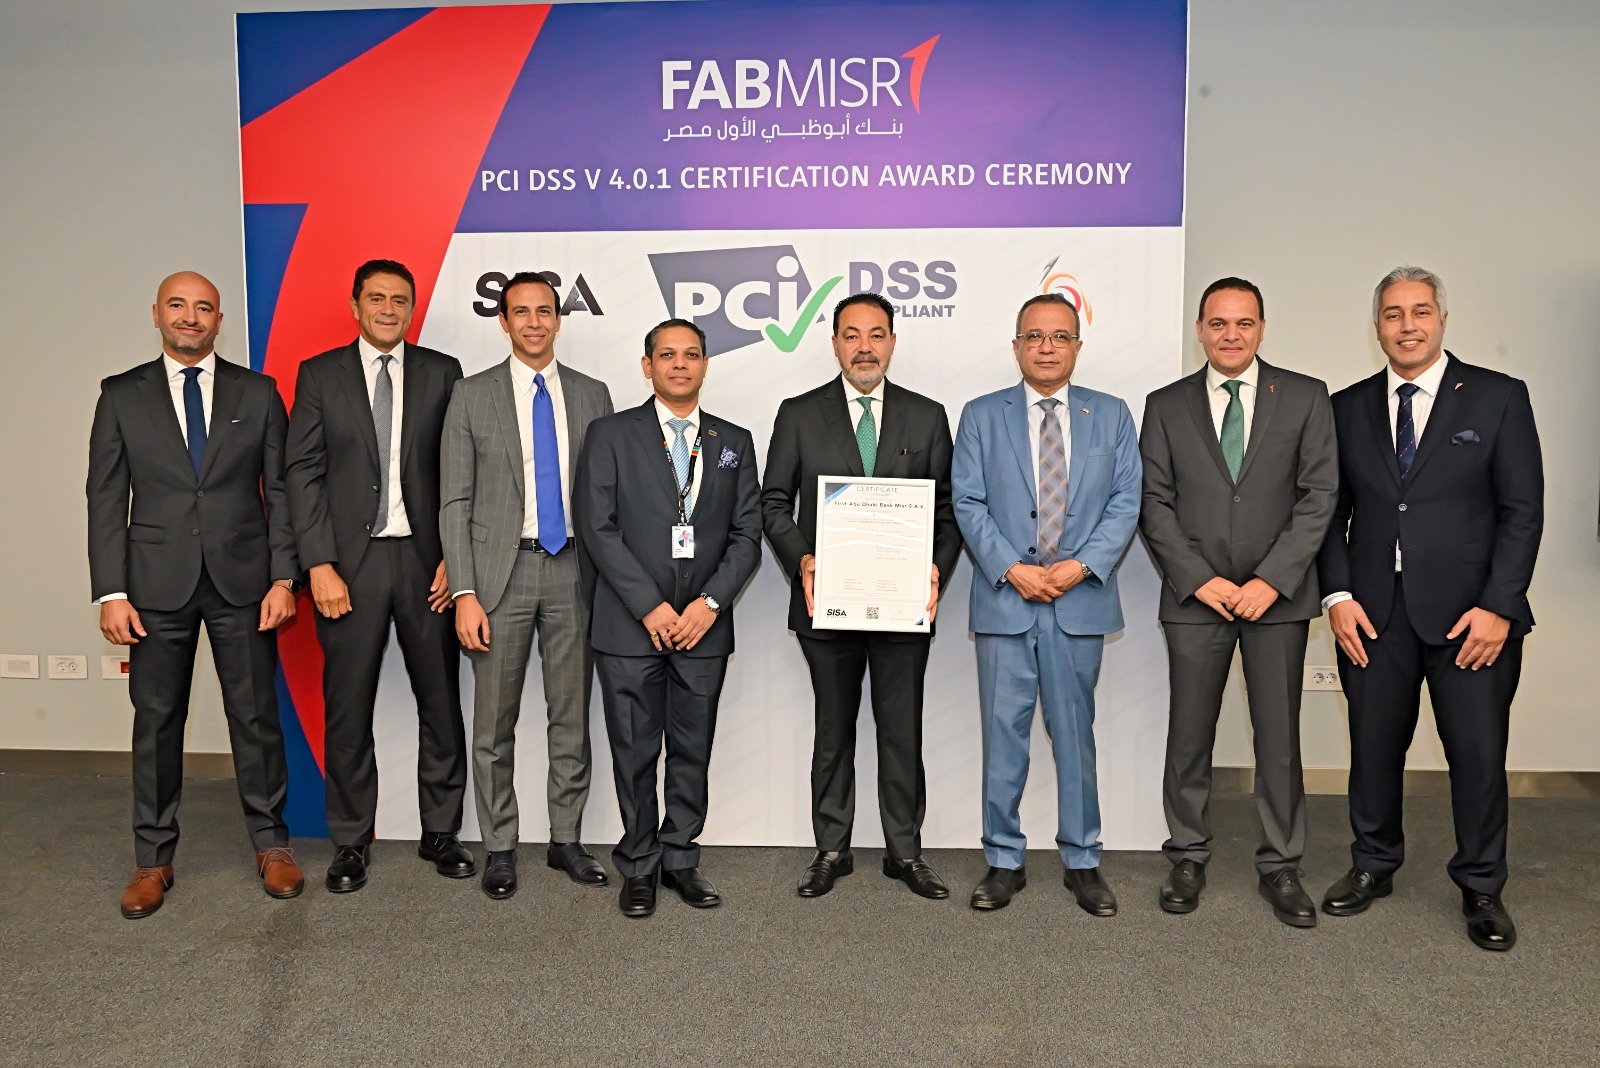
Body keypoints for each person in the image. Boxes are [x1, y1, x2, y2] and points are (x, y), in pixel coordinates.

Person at [1316, 266, 1543, 951]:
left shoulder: (1499, 397)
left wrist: (1499, 606)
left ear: (1442, 319)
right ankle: (1373, 863)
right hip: (1372, 615)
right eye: (1393, 314)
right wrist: (1337, 596)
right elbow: (1327, 515)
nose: (1407, 325)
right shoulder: (1346, 407)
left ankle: (1482, 886)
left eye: (1420, 311)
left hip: (1471, 619)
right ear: (1376, 325)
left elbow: (1522, 511)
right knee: (1373, 749)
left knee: (1478, 756)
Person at [87, 271, 303, 918]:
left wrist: (283, 578)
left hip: (245, 583)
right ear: (156, 314)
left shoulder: (258, 392)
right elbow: (106, 498)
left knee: (255, 718)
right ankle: (153, 858)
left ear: (218, 320)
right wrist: (111, 591)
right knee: (156, 722)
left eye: (203, 307)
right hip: (154, 587)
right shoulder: (121, 394)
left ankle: (271, 845)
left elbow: (281, 492)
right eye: (178, 305)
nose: (190, 316)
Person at [1138, 277, 1338, 926]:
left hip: (1276, 600)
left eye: (1244, 323)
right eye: (1218, 323)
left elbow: (1319, 497)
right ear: (1199, 330)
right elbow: (1153, 502)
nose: (1231, 335)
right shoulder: (1165, 405)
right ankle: (1187, 855)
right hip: (1196, 599)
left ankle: (1281, 865)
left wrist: (1270, 580)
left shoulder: (1305, 397)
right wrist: (1200, 579)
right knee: (1189, 736)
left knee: (1278, 740)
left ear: (1262, 328)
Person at [760, 293, 963, 900]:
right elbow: (773, 502)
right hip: (827, 606)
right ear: (835, 345)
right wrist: (803, 560)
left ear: (893, 342)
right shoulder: (799, 414)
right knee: (833, 731)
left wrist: (934, 570)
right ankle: (832, 848)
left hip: (904, 606)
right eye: (852, 335)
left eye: (876, 335)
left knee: (902, 731)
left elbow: (948, 510)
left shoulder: (928, 416)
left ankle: (905, 852)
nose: (864, 347)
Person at [951, 293, 1141, 914]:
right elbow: (967, 501)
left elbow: (1126, 501)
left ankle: (1082, 860)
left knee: (1075, 737)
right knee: (1003, 737)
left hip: (1078, 601)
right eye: (1034, 336)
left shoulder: (1111, 414)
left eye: (1060, 336)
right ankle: (1003, 860)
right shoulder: (981, 415)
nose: (1047, 347)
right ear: (1016, 347)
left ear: (1077, 346)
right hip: (1006, 601)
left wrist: (1080, 566)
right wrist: (1011, 568)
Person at [285, 259, 471, 893]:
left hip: (427, 565)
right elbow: (301, 474)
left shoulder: (443, 372)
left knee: (441, 703)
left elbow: (461, 470)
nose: (389, 309)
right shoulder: (320, 375)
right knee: (348, 707)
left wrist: (455, 557)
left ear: (412, 308)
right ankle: (350, 840)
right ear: (355, 305)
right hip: (347, 569)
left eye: (400, 300)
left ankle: (441, 831)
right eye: (377, 298)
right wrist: (318, 565)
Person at [574, 318, 761, 918]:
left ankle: (680, 858)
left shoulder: (734, 441)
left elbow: (747, 535)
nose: (680, 364)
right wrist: (650, 606)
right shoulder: (610, 435)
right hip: (629, 626)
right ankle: (638, 863)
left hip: (703, 628)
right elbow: (597, 528)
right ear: (647, 365)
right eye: (667, 355)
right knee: (633, 750)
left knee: (691, 748)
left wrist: (709, 604)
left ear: (705, 364)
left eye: (691, 354)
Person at [439, 271, 615, 900]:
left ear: (559, 319)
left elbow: (607, 494)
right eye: (521, 312)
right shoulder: (471, 394)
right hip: (499, 577)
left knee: (571, 717)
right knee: (494, 725)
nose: (534, 322)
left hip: (574, 573)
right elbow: (454, 501)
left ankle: (566, 839)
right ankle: (500, 846)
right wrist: (464, 592)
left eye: (545, 311)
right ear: (503, 321)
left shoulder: (593, 394)